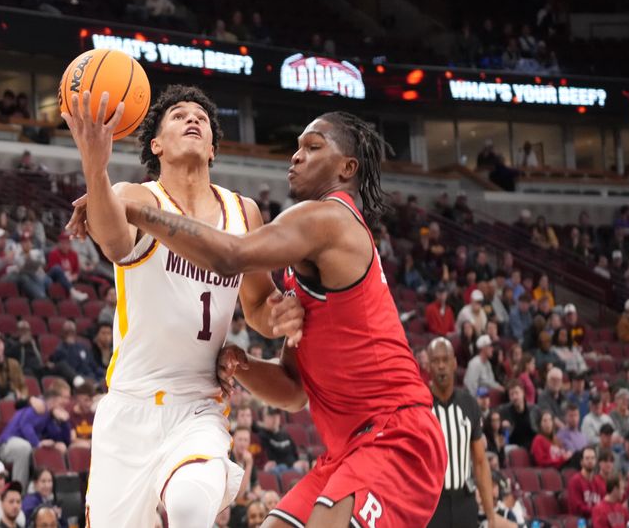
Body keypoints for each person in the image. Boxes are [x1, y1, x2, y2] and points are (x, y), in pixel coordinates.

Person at [89, 100, 449, 523]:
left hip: (395, 435)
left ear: (347, 169)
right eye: (297, 146)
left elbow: (232, 255)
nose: (296, 155)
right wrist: (240, 363)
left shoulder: (325, 219)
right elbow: (294, 390)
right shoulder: (302, 267)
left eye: (313, 147)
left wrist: (138, 211)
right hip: (346, 448)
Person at [63, 85, 305, 528]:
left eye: (201, 116)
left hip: (198, 403)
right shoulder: (137, 197)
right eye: (177, 115)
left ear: (213, 146)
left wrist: (281, 314)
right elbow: (116, 245)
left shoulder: (243, 211)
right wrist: (95, 170)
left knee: (192, 507)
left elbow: (257, 306)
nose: (192, 118)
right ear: (155, 143)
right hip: (129, 409)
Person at [427, 337, 495, 528]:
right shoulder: (420, 408)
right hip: (432, 504)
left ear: (455, 362)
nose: (441, 366)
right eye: (436, 360)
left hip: (464, 501)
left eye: (445, 359)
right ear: (428, 366)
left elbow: (480, 463)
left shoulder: (469, 404)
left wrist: (491, 516)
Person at [0, 384, 71, 490]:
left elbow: (60, 439)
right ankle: (18, 490)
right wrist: (37, 443)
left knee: (51, 448)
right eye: (62, 399)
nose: (65, 403)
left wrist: (64, 423)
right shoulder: (39, 406)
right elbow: (25, 425)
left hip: (28, 445)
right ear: (54, 400)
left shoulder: (50, 415)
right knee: (24, 447)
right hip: (8, 443)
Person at [567, 446, 602, 519]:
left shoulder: (599, 482)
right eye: (587, 458)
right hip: (580, 521)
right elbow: (577, 508)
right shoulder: (575, 481)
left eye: (592, 458)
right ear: (581, 462)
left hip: (596, 519)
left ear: (596, 461)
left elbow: (604, 503)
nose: (590, 461)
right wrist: (597, 511)